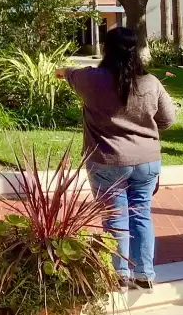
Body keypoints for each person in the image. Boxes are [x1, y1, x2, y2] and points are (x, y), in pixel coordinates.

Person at [59, 27, 176, 289]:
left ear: (106, 49)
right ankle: (144, 274)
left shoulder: (91, 80)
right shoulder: (151, 83)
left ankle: (119, 273)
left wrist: (62, 71)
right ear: (136, 50)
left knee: (115, 217)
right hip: (146, 162)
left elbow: (70, 73)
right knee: (141, 214)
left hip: (107, 161)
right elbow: (168, 120)